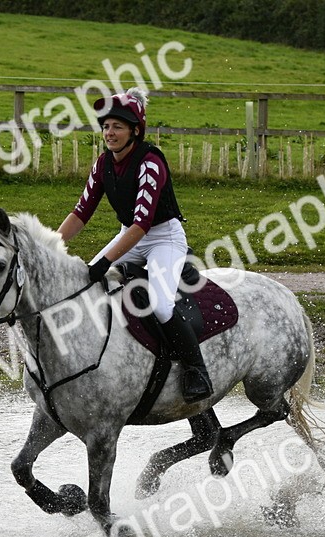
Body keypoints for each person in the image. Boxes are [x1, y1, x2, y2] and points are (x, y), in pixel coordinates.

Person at [56, 87, 213, 403]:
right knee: (87, 288)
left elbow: (143, 224)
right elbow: (81, 213)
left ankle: (196, 370)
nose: (109, 133)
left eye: (117, 126)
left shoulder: (150, 162)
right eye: (106, 126)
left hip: (163, 238)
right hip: (130, 234)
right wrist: (51, 246)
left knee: (162, 305)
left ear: (135, 131)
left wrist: (104, 262)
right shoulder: (103, 164)